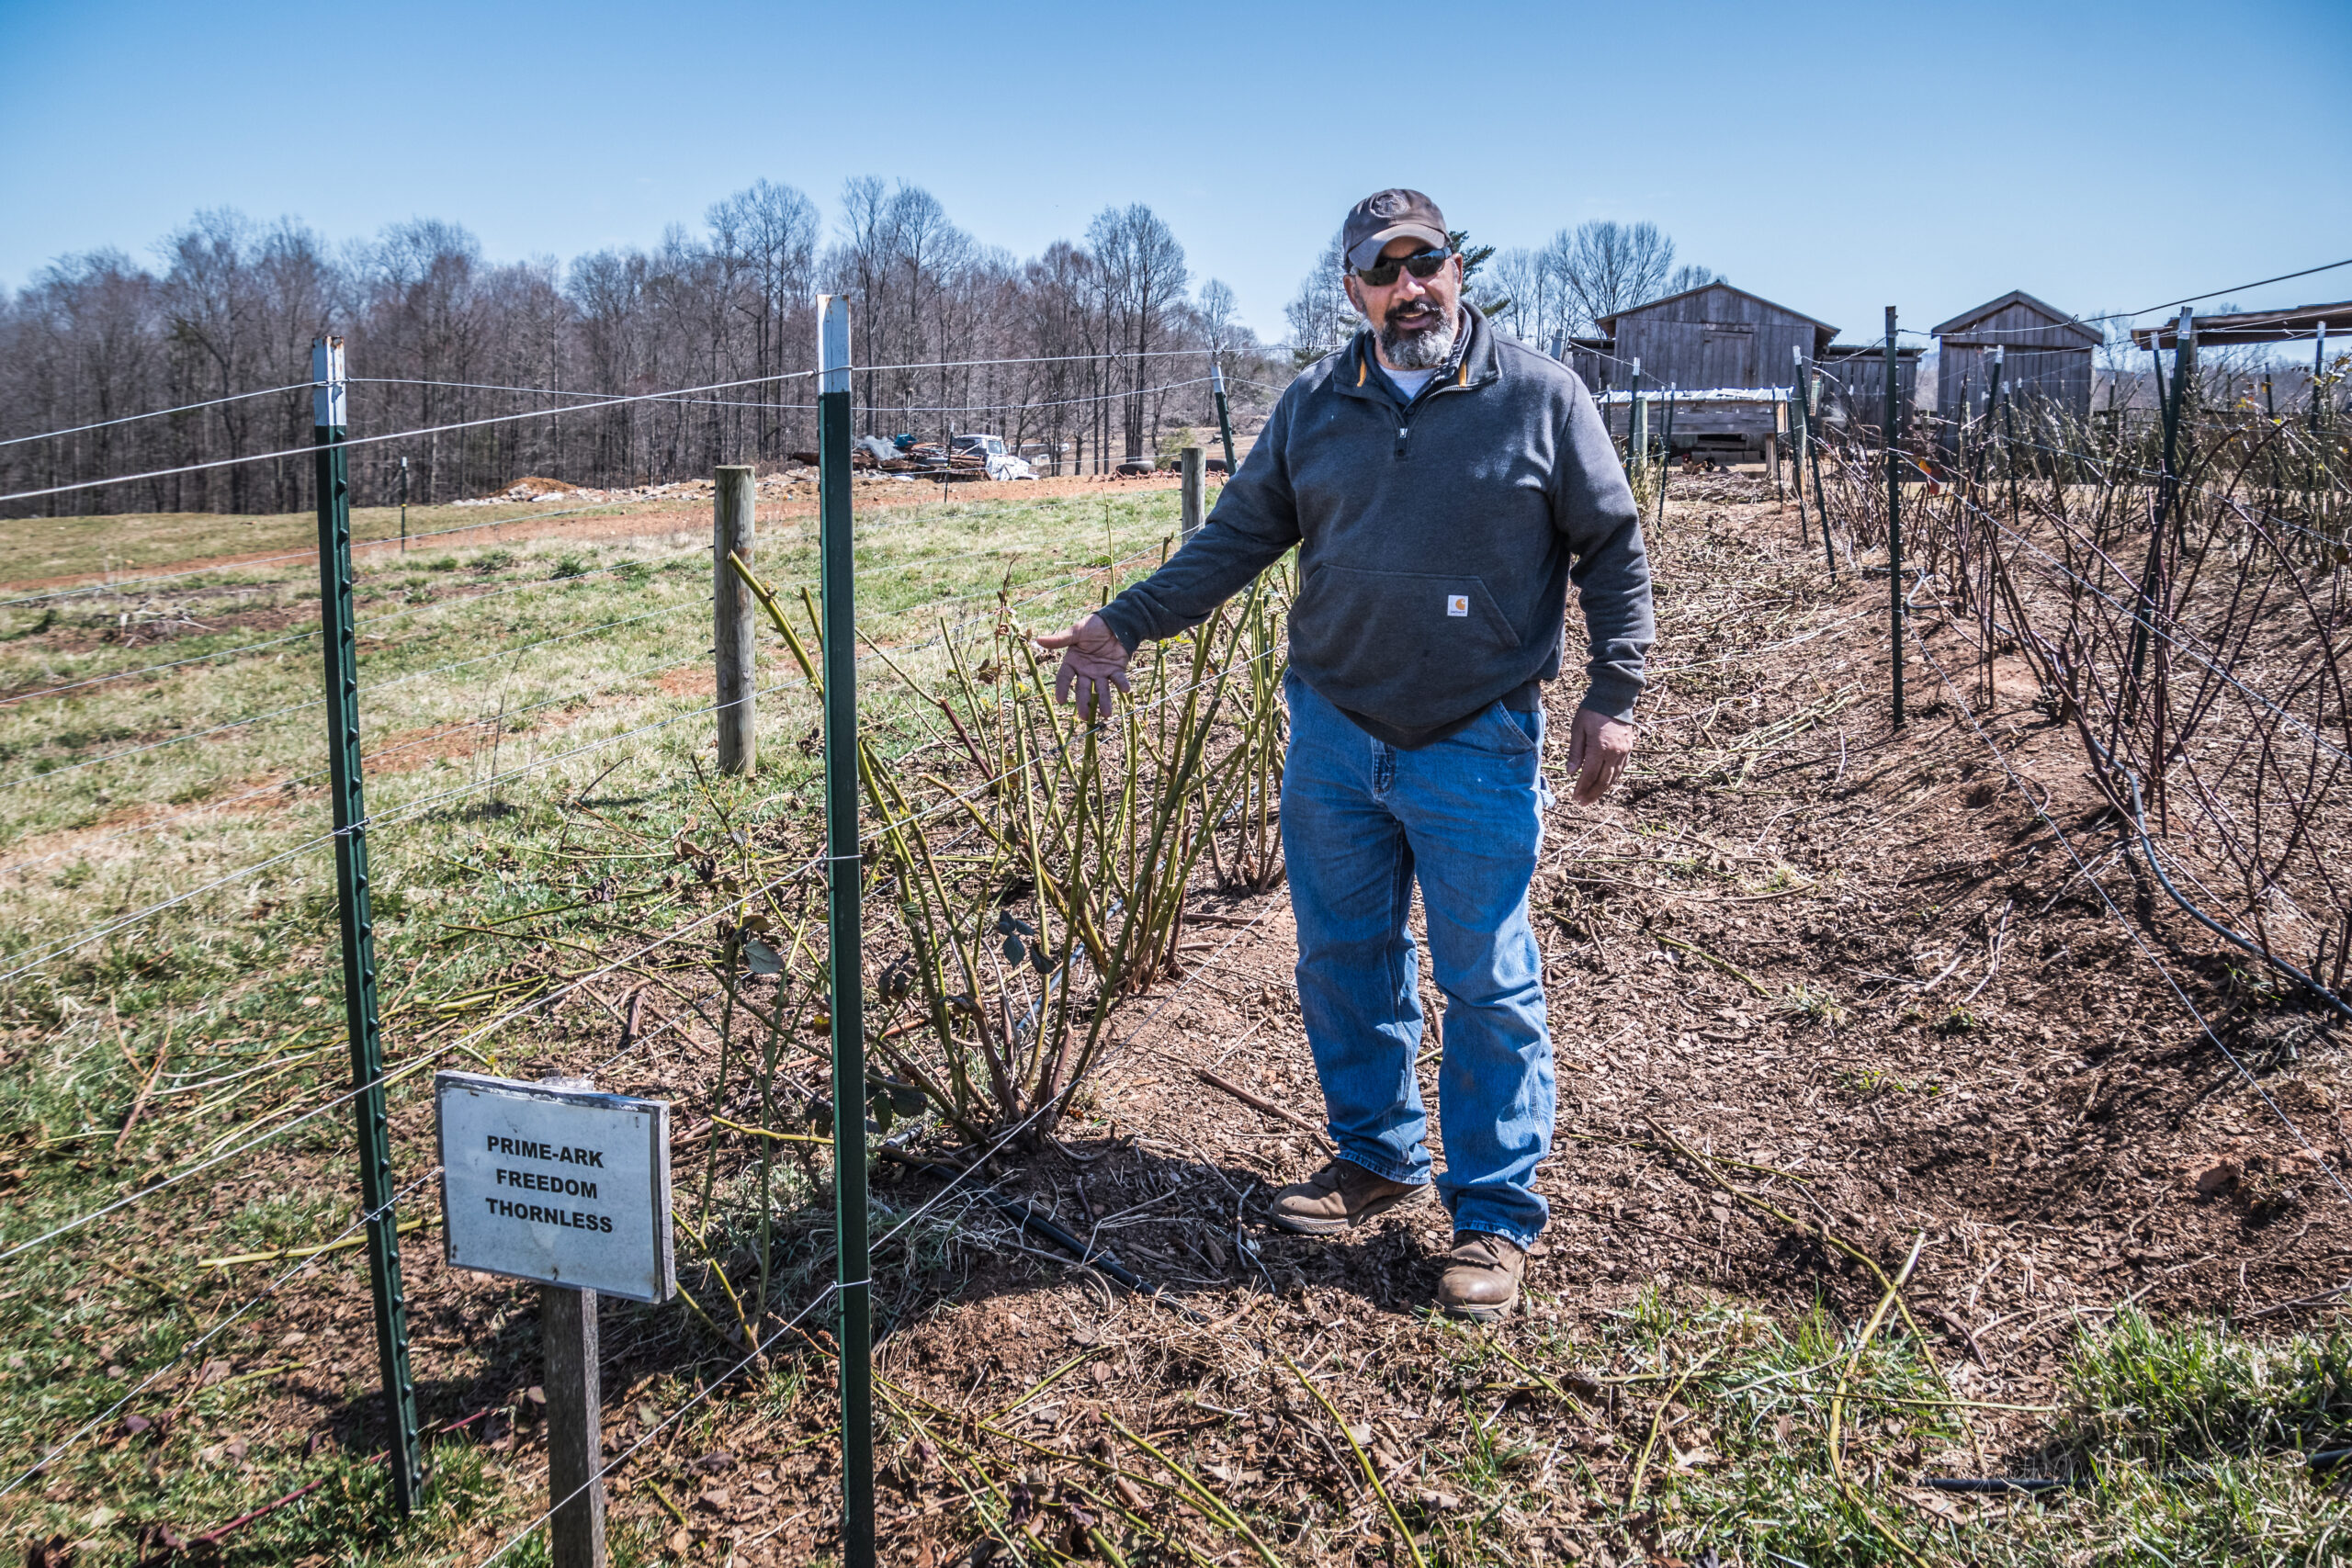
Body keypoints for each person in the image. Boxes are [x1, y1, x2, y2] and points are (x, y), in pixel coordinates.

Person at [1037, 189, 1655, 1321]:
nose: (1409, 288)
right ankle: (1375, 1157)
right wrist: (1121, 623)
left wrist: (1613, 691)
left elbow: (1610, 544)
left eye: (1428, 264)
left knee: (1486, 979)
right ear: (1353, 290)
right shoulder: (1317, 403)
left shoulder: (1538, 396)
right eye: (1384, 271)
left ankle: (1494, 1217)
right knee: (1342, 958)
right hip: (1333, 730)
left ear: (1457, 270)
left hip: (1477, 732)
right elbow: (1235, 540)